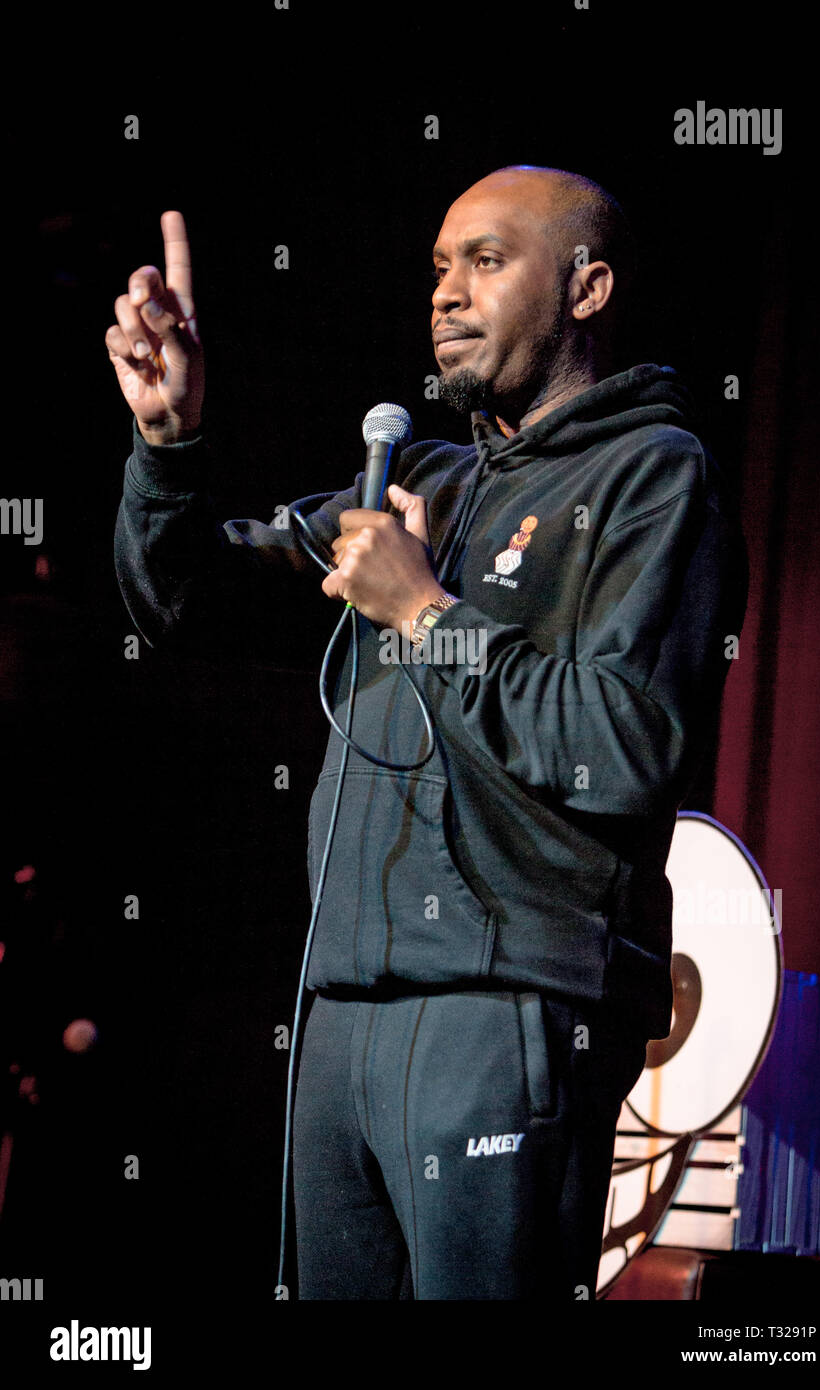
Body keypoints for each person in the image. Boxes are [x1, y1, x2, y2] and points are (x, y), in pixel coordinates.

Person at [109, 165, 748, 1300]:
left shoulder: (654, 473)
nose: (446, 292)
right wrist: (171, 447)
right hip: (344, 1005)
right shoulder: (418, 484)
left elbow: (629, 742)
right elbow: (184, 602)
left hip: (504, 1012)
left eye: (486, 261)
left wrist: (425, 614)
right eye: (439, 266)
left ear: (585, 288)